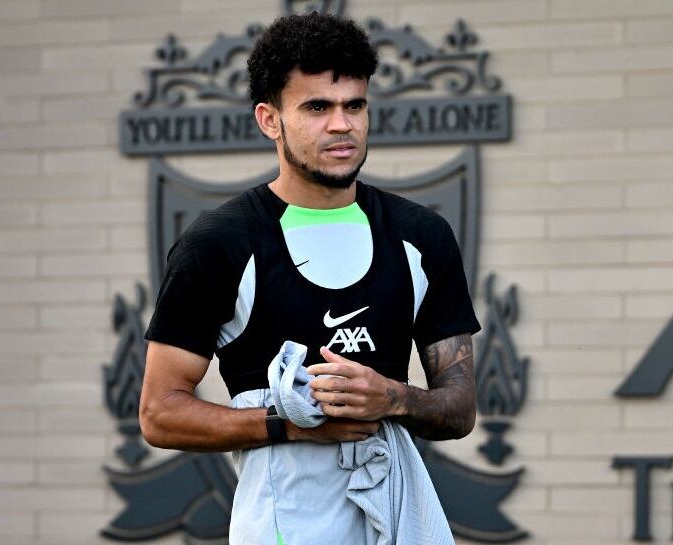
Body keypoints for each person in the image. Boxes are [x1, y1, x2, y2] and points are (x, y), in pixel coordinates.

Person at [139, 11, 481, 543]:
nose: (342, 124)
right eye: (317, 107)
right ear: (269, 119)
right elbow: (159, 414)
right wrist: (289, 422)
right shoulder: (220, 241)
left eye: (355, 106)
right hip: (280, 525)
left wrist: (391, 397)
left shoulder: (422, 235)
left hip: (393, 521)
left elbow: (460, 409)